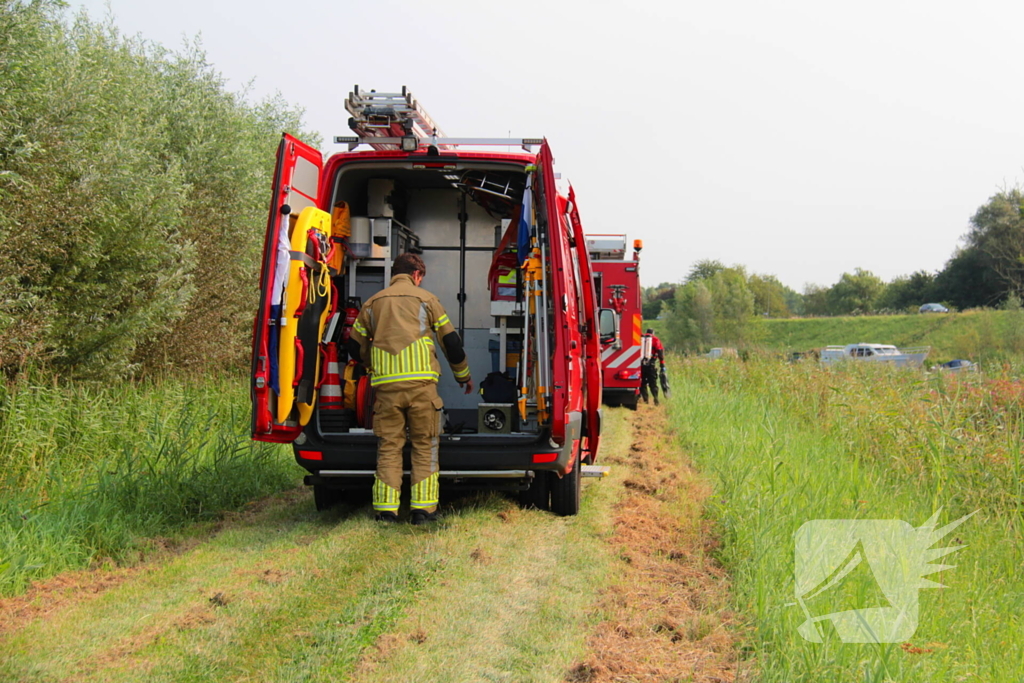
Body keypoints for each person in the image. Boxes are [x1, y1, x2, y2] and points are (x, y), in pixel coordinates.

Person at [347, 253, 473, 524]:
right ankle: (423, 512)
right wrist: (463, 375)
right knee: (425, 446)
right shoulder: (427, 300)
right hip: (422, 390)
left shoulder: (372, 303)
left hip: (386, 392)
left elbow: (354, 346)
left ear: (395, 274)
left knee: (389, 448)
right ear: (416, 275)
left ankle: (386, 512)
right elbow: (451, 342)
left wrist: (371, 364)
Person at [639, 328, 664, 406]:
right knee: (653, 383)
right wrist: (662, 364)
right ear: (653, 333)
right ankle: (656, 398)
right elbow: (660, 351)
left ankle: (645, 400)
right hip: (651, 365)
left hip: (640, 365)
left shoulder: (640, 338)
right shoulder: (655, 339)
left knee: (642, 383)